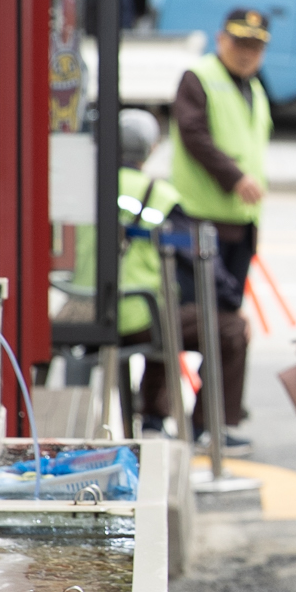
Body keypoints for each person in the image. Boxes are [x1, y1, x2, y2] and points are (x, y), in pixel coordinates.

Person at [166, 6, 272, 449]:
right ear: (220, 40)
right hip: (200, 224)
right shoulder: (200, 76)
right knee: (194, 321)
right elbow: (195, 135)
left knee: (225, 322)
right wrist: (234, 177)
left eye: (255, 46)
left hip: (239, 228)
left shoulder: (254, 89)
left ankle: (210, 422)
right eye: (240, 43)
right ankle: (169, 418)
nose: (247, 53)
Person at [114, 109, 182, 436]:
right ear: (152, 148)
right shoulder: (163, 196)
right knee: (173, 322)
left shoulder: (86, 186)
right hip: (139, 314)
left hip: (81, 308)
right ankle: (154, 419)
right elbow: (188, 256)